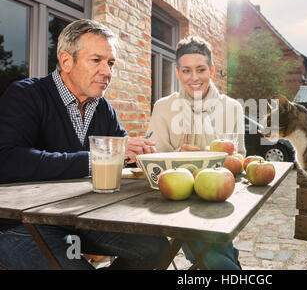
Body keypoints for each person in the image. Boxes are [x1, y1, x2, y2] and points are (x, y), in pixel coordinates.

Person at [0, 19, 169, 269]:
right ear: (67, 61)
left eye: (110, 63)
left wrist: (142, 155)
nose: (107, 72)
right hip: (20, 223)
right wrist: (98, 159)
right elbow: (8, 160)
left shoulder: (102, 108)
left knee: (156, 248)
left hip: (79, 218)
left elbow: (122, 150)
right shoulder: (26, 95)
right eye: (96, 60)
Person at [148, 36, 245, 270]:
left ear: (211, 70)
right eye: (186, 70)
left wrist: (220, 160)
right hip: (175, 201)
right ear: (178, 73)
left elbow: (240, 158)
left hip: (216, 200)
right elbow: (153, 159)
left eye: (200, 69)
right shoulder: (162, 107)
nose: (194, 78)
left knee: (214, 253)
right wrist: (178, 154)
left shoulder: (232, 108)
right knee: (217, 255)